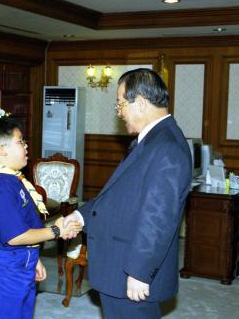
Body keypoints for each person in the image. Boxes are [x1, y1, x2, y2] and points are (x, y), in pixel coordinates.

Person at [65, 68, 192, 318]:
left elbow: (159, 219)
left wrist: (139, 272)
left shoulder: (167, 148)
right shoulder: (152, 140)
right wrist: (81, 216)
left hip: (130, 271)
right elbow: (119, 196)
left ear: (141, 103)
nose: (119, 112)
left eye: (120, 104)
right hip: (117, 265)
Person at [0, 117, 82, 319]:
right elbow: (15, 236)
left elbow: (25, 224)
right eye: (20, 141)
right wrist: (57, 231)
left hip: (20, 262)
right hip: (5, 268)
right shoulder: (3, 186)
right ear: (3, 150)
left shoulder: (14, 180)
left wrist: (33, 260)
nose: (26, 146)